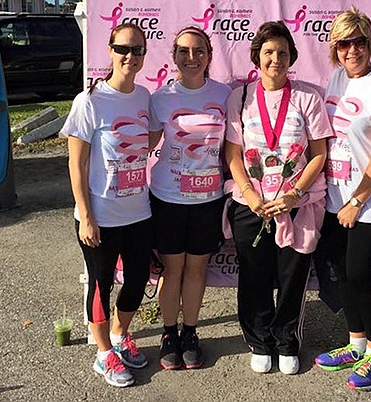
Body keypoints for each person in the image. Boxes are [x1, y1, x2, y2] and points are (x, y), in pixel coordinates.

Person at [224, 21, 332, 375]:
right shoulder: (239, 97)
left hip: (296, 205)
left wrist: (295, 192)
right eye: (268, 52)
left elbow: (319, 154)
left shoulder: (307, 97)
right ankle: (259, 341)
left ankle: (287, 341)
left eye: (282, 53)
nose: (276, 59)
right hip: (251, 204)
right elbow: (233, 153)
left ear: (292, 57)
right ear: (257, 57)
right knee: (253, 276)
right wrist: (249, 193)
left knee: (292, 277)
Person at [313, 6, 371, 391]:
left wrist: (358, 200)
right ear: (335, 49)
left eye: (359, 42)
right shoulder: (336, 79)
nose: (352, 50)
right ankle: (354, 343)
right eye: (344, 43)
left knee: (360, 276)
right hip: (336, 198)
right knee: (343, 276)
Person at [64, 23, 152, 387]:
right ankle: (103, 354)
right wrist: (86, 215)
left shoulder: (145, 95)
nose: (129, 57)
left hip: (139, 212)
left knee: (137, 280)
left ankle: (119, 333)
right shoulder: (90, 100)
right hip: (100, 216)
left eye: (137, 50)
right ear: (110, 51)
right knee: (101, 286)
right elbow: (76, 162)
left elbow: (155, 135)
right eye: (123, 49)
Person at [148, 26, 231, 370]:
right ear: (174, 57)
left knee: (197, 269)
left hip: (208, 199)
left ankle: (191, 333)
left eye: (199, 51)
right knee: (173, 268)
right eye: (183, 51)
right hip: (167, 196)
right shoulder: (161, 98)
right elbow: (143, 145)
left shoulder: (226, 95)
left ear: (210, 56)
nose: (191, 57)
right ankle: (169, 334)